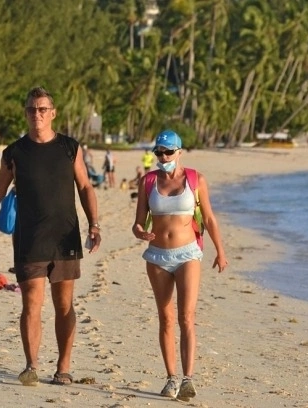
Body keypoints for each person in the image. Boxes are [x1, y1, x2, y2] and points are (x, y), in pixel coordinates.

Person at [0, 86, 101, 387]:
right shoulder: (15, 152)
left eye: (42, 109)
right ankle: (31, 365)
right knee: (31, 305)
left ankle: (63, 368)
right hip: (29, 239)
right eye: (31, 109)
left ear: (53, 113)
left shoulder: (69, 147)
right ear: (25, 113)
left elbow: (85, 187)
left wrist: (94, 224)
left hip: (65, 238)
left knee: (64, 306)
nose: (36, 114)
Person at [131, 129, 228, 401]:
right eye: (159, 152)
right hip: (157, 257)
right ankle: (171, 377)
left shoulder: (196, 180)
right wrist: (140, 232)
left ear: (179, 152)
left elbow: (209, 218)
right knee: (166, 318)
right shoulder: (148, 181)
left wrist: (220, 252)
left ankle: (188, 379)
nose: (163, 157)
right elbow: (138, 222)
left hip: (188, 254)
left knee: (186, 316)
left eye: (168, 152)